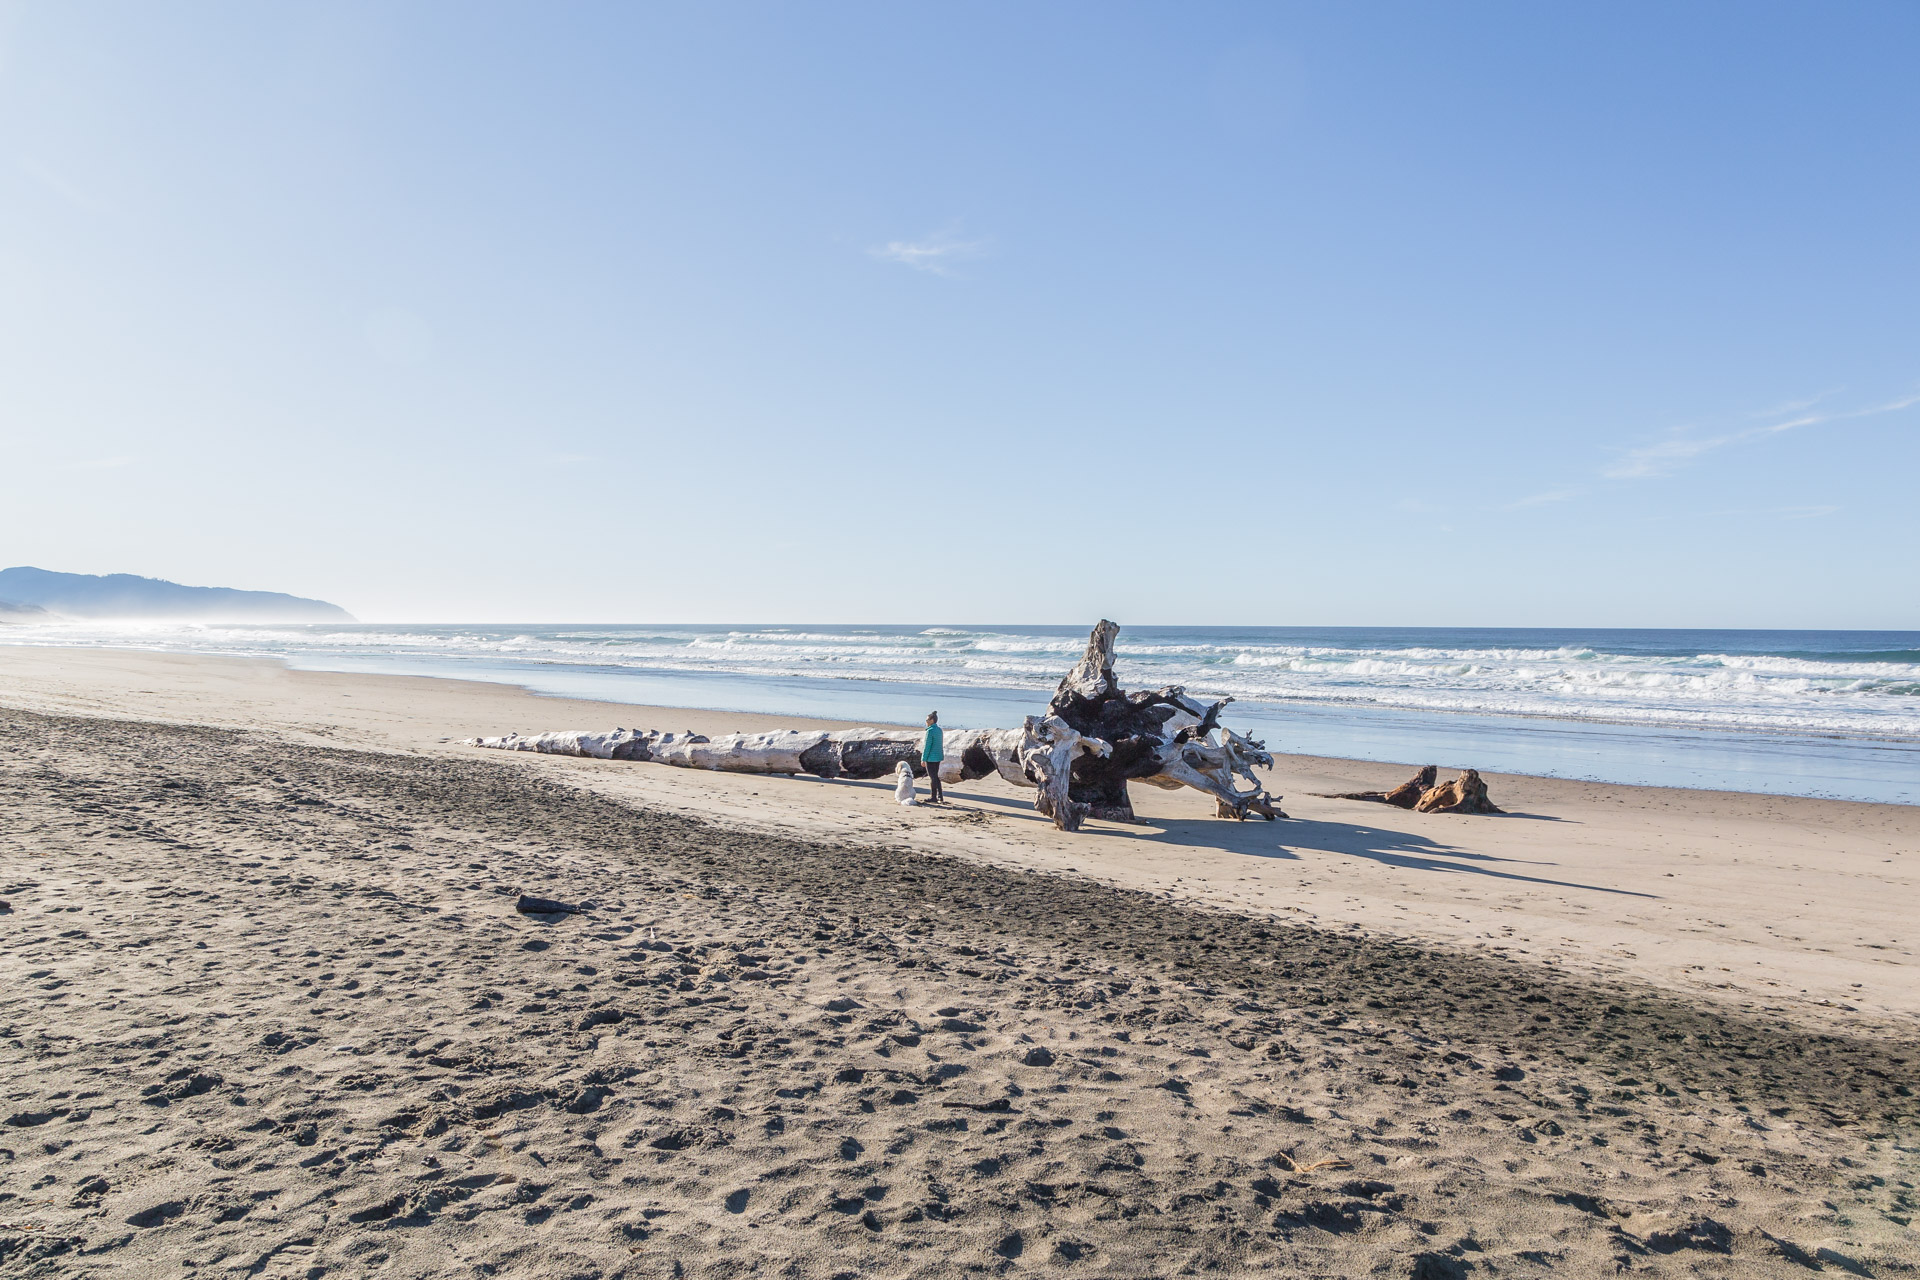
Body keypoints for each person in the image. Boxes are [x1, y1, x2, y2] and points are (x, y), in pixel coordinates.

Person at [921, 711, 945, 804]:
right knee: (936, 776)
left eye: (927, 719)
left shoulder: (930, 731)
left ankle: (933, 797)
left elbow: (927, 746)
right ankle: (940, 796)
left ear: (932, 720)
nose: (926, 721)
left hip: (931, 757)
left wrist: (923, 759)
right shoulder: (939, 730)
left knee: (933, 777)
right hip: (938, 756)